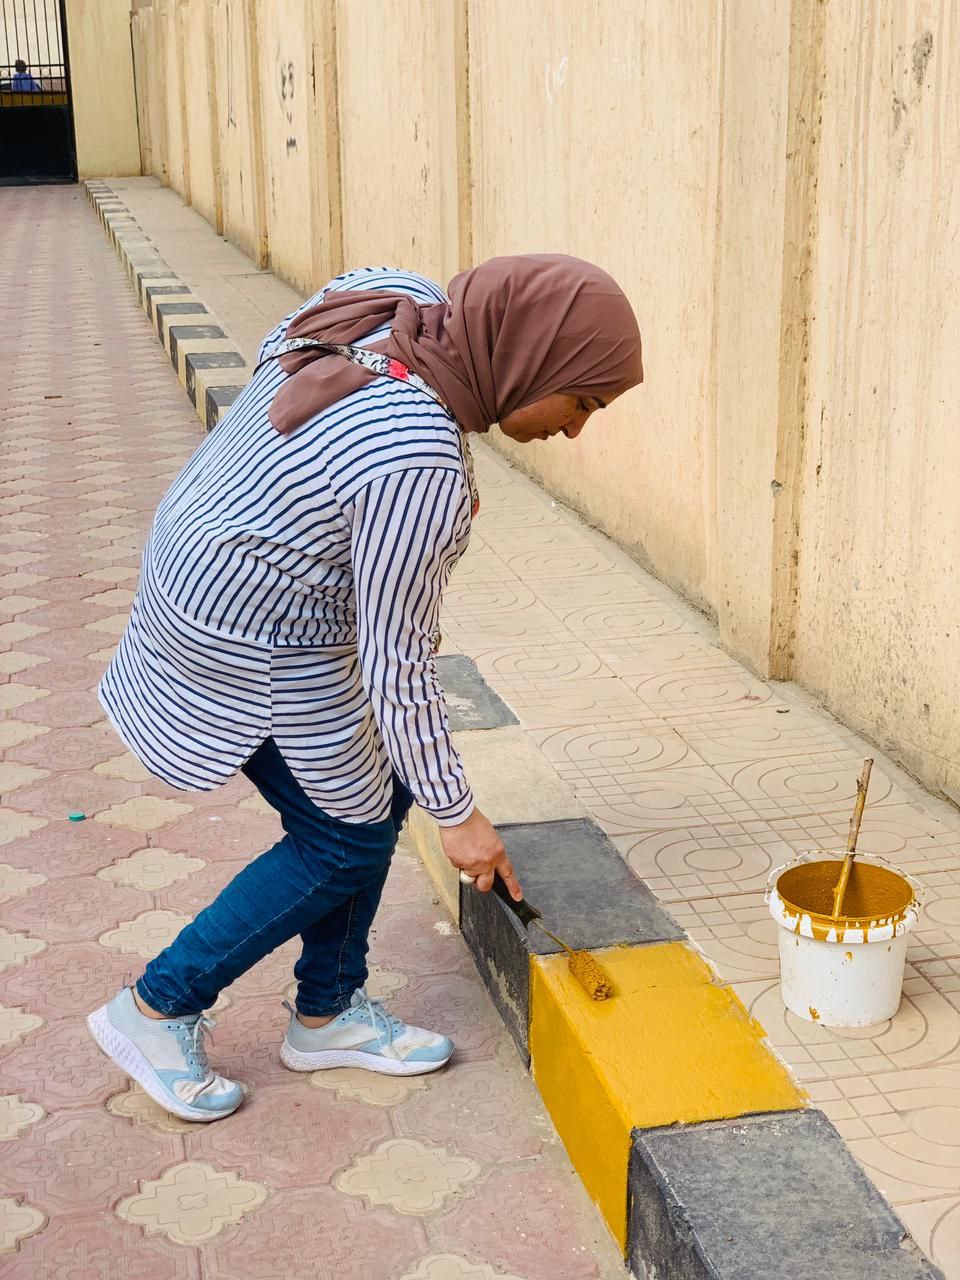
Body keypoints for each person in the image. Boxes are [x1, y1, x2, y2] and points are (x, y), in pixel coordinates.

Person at [86, 255, 643, 1122]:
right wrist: (460, 815)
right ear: (531, 360)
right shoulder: (417, 462)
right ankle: (157, 1006)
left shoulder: (398, 299)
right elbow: (397, 663)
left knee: (376, 792)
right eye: (583, 402)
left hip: (201, 549)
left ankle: (327, 1011)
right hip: (246, 630)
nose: (576, 430)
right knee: (340, 842)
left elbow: (290, 369)